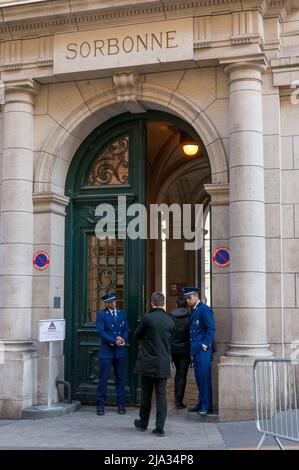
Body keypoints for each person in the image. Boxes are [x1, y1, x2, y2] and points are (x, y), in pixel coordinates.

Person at [133, 292, 175, 437]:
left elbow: (137, 335)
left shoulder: (147, 318)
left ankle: (143, 423)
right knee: (161, 396)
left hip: (148, 362)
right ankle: (160, 427)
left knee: (146, 395)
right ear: (163, 303)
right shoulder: (170, 320)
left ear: (151, 303)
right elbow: (172, 341)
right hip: (163, 362)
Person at [182, 286, 216, 416]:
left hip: (202, 350)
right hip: (196, 349)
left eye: (189, 297)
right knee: (198, 378)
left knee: (204, 378)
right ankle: (201, 402)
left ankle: (206, 406)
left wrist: (204, 344)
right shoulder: (195, 309)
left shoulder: (204, 309)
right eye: (187, 298)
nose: (188, 300)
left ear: (196, 296)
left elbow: (211, 329)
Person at [95, 292, 128, 416]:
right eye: (111, 302)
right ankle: (100, 405)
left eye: (114, 301)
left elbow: (125, 329)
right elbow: (101, 332)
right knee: (103, 379)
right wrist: (114, 341)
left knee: (120, 379)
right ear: (107, 303)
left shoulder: (121, 313)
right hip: (106, 351)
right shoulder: (101, 314)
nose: (114, 303)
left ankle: (121, 404)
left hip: (120, 352)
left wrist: (123, 339)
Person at [169, 295, 191, 409]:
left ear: (177, 304)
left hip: (174, 349)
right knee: (182, 374)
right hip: (185, 348)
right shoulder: (189, 316)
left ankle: (176, 398)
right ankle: (178, 401)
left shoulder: (171, 316)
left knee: (178, 373)